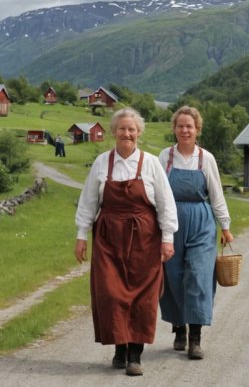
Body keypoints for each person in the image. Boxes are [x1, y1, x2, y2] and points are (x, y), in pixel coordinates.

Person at [74, 107, 178, 376]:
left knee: (142, 297)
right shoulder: (101, 162)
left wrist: (168, 239)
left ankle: (135, 355)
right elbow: (88, 202)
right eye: (122, 129)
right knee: (110, 293)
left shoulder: (151, 163)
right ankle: (119, 347)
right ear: (114, 132)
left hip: (145, 238)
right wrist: (81, 236)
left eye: (132, 129)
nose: (127, 134)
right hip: (108, 238)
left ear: (139, 133)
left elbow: (166, 204)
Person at [158, 105, 234, 360]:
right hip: (172, 222)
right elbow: (156, 193)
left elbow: (216, 194)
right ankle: (179, 327)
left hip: (201, 221)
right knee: (174, 276)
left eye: (189, 126)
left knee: (199, 276)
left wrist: (225, 225)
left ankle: (195, 338)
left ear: (197, 129)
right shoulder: (164, 157)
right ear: (174, 129)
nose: (185, 130)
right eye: (180, 126)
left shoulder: (206, 158)